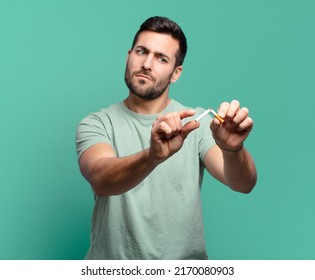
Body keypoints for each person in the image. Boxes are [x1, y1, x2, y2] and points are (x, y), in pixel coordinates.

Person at [76, 16, 257, 260]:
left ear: (176, 73)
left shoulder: (198, 124)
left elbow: (243, 184)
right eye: (141, 52)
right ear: (129, 55)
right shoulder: (97, 123)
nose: (147, 64)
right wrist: (153, 156)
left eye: (162, 58)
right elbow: (101, 179)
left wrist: (234, 150)